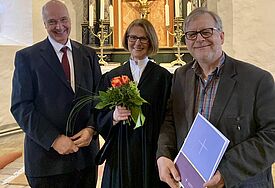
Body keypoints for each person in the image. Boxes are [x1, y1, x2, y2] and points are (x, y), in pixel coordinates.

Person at [157, 7, 275, 188]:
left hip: (241, 183)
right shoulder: (181, 76)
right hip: (191, 182)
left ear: (221, 36)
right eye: (191, 34)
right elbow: (171, 121)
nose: (199, 39)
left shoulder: (257, 80)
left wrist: (225, 173)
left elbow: (271, 135)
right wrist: (163, 155)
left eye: (206, 32)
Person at [10, 0, 102, 187]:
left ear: (70, 20)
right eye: (52, 22)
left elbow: (99, 98)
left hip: (84, 159)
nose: (59, 26)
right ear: (44, 24)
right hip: (46, 161)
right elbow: (21, 106)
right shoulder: (27, 58)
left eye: (63, 20)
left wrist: (91, 129)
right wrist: (53, 139)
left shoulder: (88, 55)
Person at [96, 18, 172, 188]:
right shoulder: (111, 76)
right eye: (132, 38)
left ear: (151, 41)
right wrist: (114, 117)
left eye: (143, 38)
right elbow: (98, 115)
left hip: (151, 151)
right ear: (127, 40)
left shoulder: (163, 78)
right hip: (121, 151)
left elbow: (169, 116)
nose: (137, 43)